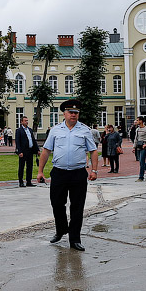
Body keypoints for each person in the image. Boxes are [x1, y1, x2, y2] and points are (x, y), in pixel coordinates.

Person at [37, 98, 98, 252]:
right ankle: (61, 229)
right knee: (57, 204)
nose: (73, 115)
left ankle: (75, 239)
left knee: (77, 207)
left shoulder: (85, 130)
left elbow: (93, 151)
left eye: (76, 113)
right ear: (64, 113)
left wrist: (94, 170)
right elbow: (46, 151)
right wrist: (40, 171)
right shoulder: (56, 130)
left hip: (78, 174)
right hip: (59, 173)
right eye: (71, 112)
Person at [15, 115, 39, 186]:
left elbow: (33, 140)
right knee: (21, 167)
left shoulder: (30, 130)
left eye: (27, 120)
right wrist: (20, 151)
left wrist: (37, 150)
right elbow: (17, 142)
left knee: (30, 166)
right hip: (23, 151)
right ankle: (21, 182)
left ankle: (29, 181)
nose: (27, 122)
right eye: (25, 121)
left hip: (30, 150)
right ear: (21, 122)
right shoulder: (19, 131)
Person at [132, 117, 146, 181]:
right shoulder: (137, 129)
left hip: (144, 148)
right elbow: (136, 139)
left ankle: (141, 177)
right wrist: (134, 147)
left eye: (137, 120)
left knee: (142, 162)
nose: (136, 121)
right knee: (141, 162)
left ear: (141, 121)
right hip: (139, 147)